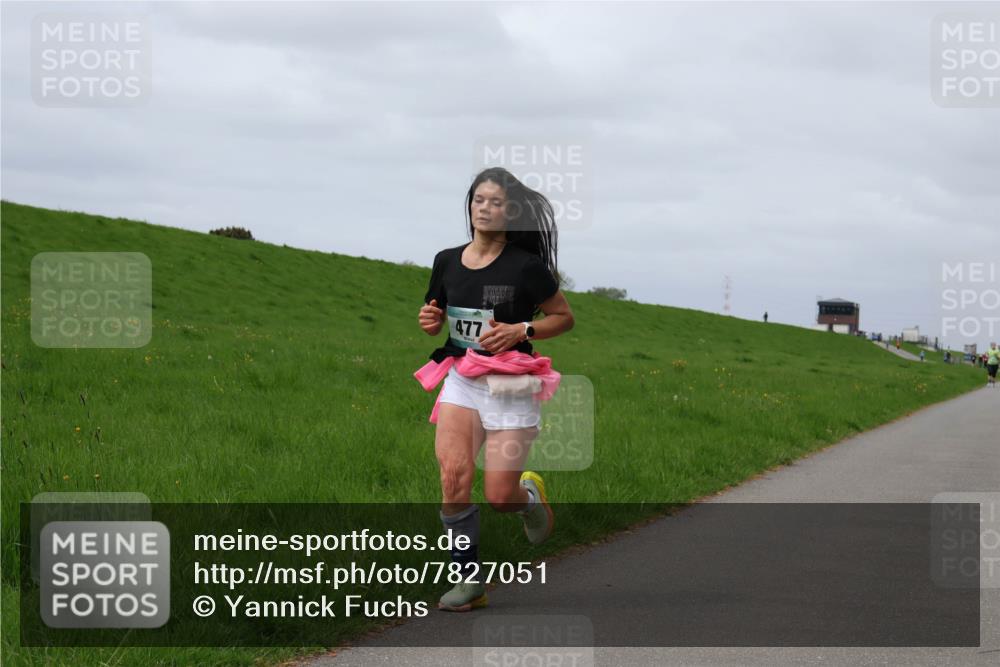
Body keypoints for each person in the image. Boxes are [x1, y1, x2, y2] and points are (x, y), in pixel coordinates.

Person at [415, 167, 575, 612]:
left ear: (512, 212)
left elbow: (564, 317)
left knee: (500, 496)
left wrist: (522, 329)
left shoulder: (526, 266)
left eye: (496, 202)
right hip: (462, 379)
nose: (484, 209)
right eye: (479, 200)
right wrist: (430, 321)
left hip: (511, 385)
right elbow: (435, 315)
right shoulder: (446, 260)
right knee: (453, 478)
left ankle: (528, 500)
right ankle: (468, 582)